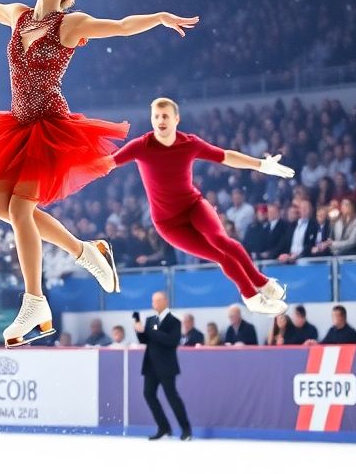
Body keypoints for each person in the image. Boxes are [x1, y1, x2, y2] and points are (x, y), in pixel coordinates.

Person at [0, 0, 198, 346]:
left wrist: (158, 17)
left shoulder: (70, 24)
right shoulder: (19, 15)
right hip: (17, 126)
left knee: (19, 209)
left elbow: (121, 26)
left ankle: (35, 301)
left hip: (50, 129)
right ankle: (86, 252)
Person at [112, 97, 292, 315]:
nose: (160, 120)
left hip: (194, 206)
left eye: (165, 116)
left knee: (221, 241)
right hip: (168, 224)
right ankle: (253, 299)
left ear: (176, 119)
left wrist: (261, 164)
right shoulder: (140, 146)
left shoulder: (190, 143)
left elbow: (225, 156)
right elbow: (108, 163)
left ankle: (262, 282)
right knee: (219, 256)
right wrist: (78, 161)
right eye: (156, 116)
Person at [135, 291, 192, 441]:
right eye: (153, 301)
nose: (154, 304)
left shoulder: (174, 321)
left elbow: (172, 341)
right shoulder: (150, 320)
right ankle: (164, 427)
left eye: (157, 300)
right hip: (150, 365)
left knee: (172, 397)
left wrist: (151, 331)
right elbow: (145, 340)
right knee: (148, 394)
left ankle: (186, 429)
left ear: (165, 301)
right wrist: (139, 330)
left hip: (166, 365)